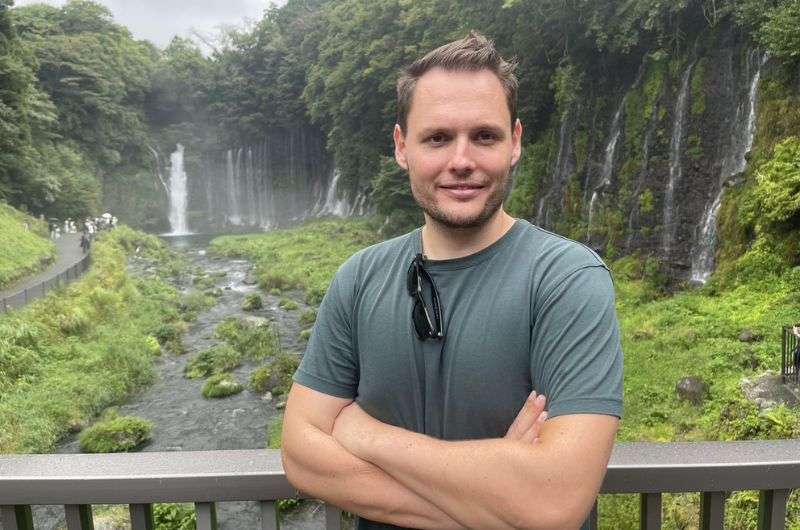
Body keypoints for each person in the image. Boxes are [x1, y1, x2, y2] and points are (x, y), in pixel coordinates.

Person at [282, 32, 623, 530]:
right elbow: (301, 455)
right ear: (402, 147)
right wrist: (498, 501)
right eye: (437, 138)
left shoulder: (567, 280)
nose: (461, 161)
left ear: (515, 142)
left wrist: (365, 435)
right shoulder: (358, 278)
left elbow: (554, 504)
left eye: (484, 136)